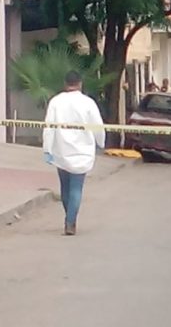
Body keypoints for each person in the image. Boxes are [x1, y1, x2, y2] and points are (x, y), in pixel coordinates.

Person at [43, 71, 105, 236]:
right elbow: (98, 126)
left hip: (61, 151)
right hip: (82, 151)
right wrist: (101, 143)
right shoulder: (88, 103)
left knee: (65, 187)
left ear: (65, 84)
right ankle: (70, 221)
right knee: (76, 188)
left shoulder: (56, 102)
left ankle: (69, 217)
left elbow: (49, 127)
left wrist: (47, 149)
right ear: (80, 83)